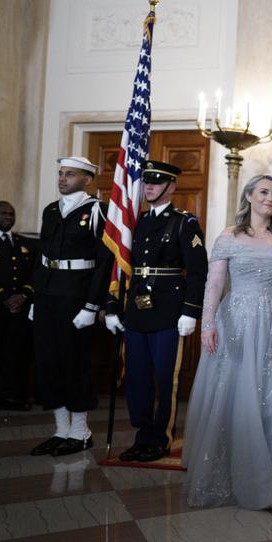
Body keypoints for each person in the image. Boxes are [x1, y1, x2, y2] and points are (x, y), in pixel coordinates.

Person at [182, 174, 272, 509]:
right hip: (236, 324)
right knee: (237, 399)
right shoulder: (229, 236)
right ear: (249, 196)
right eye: (263, 192)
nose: (270, 198)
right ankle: (236, 474)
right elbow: (214, 285)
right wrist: (208, 324)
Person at [104, 161, 208, 463]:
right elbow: (122, 266)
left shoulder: (184, 223)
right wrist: (112, 305)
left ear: (171, 187)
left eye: (156, 182)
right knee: (137, 376)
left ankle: (160, 437)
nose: (148, 187)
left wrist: (191, 311)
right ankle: (142, 434)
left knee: (165, 377)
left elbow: (198, 271)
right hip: (136, 310)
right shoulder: (136, 222)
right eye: (146, 182)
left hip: (168, 312)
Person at [30, 156, 113, 457]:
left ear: (87, 180)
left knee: (73, 362)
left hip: (76, 296)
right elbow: (42, 255)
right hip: (48, 293)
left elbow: (104, 261)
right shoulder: (51, 210)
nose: (63, 179)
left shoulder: (96, 211)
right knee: (48, 362)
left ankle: (80, 432)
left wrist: (92, 305)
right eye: (61, 173)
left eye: (71, 174)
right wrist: (35, 299)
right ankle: (60, 430)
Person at [0, 201, 36, 414]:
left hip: (19, 311)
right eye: (3, 213)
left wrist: (24, 295)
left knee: (16, 355)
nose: (8, 217)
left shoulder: (25, 243)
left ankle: (12, 396)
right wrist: (4, 297)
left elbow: (34, 273)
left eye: (11, 214)